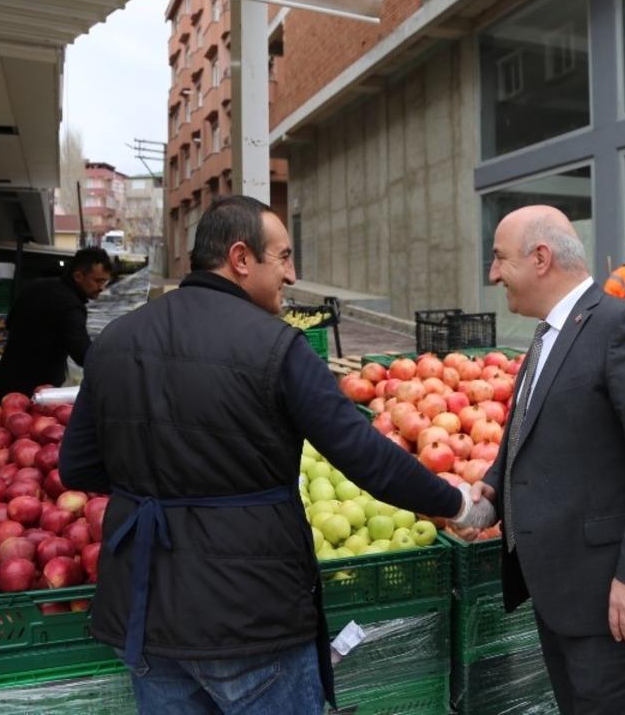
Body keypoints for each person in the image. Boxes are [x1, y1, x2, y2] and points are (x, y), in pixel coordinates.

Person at [58, 195, 491, 714]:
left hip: (146, 611)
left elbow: (77, 466)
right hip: (250, 616)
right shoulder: (276, 347)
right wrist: (458, 504)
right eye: (283, 257)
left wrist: (160, 482)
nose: (292, 274)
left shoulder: (115, 340)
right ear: (240, 258)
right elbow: (364, 455)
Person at [462, 205, 625, 713]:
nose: (493, 274)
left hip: (616, 600)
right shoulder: (550, 334)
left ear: (540, 258)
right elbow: (528, 430)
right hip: (563, 593)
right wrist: (493, 489)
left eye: (500, 258)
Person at [0, 247, 113, 408]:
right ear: (78, 276)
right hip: (31, 399)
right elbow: (83, 353)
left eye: (105, 282)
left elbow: (9, 323)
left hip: (0, 388)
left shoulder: (36, 286)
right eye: (98, 281)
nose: (102, 288)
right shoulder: (70, 306)